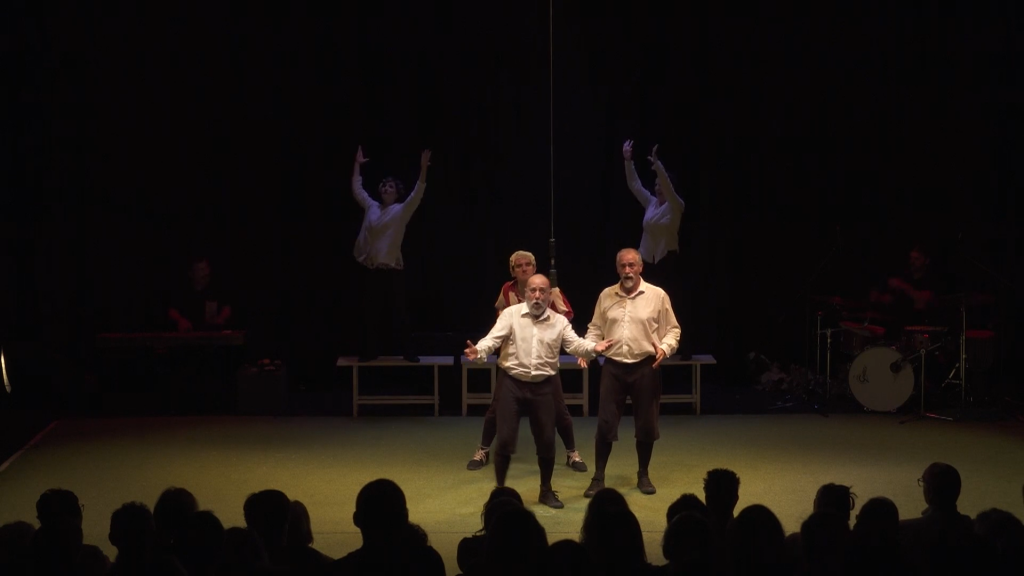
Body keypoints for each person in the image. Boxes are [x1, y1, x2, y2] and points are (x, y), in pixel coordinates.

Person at [464, 274, 613, 509]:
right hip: (511, 382)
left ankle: (546, 490)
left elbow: (575, 344)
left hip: (544, 385)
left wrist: (594, 347)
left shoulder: (559, 321)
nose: (537, 296)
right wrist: (479, 351)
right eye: (532, 290)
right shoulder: (510, 315)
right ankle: (500, 492)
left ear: (549, 295)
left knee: (546, 440)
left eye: (542, 291)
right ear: (525, 294)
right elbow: (492, 340)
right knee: (505, 439)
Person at [466, 250, 588, 473]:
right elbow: (499, 316)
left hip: (543, 361)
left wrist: (579, 348)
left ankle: (572, 453)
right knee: (496, 409)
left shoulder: (550, 290)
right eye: (519, 266)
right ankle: (483, 450)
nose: (524, 269)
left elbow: (565, 319)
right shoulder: (507, 289)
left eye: (528, 265)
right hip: (514, 359)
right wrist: (486, 344)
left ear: (534, 267)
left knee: (559, 410)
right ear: (512, 270)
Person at [582, 248, 680, 498]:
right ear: (617, 268)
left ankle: (643, 474)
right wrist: (588, 348)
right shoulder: (606, 295)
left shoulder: (657, 295)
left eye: (631, 265)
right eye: (623, 266)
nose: (627, 271)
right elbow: (595, 328)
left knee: (647, 424)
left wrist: (665, 348)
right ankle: (598, 477)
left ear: (640, 267)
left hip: (645, 366)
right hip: (613, 367)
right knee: (605, 423)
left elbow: (673, 330)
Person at [351, 145, 430, 363]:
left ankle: (408, 351)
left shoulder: (401, 210)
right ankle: (370, 351)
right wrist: (357, 165)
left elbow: (418, 193)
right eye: (384, 185)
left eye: (391, 186)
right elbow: (357, 189)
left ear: (396, 193)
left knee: (399, 313)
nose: (386, 188)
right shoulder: (371, 206)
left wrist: (423, 168)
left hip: (392, 270)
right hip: (372, 269)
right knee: (370, 313)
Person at [623, 140, 691, 359]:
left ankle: (680, 347)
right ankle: (648, 346)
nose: (658, 187)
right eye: (656, 184)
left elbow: (669, 189)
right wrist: (628, 161)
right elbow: (635, 186)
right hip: (647, 261)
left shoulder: (676, 205)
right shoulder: (651, 203)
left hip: (667, 260)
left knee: (672, 303)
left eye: (661, 184)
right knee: (646, 304)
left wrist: (658, 166)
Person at [167, 256, 232, 333]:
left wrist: (221, 318)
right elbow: (172, 310)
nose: (205, 273)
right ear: (191, 273)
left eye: (206, 268)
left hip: (212, 334)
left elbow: (226, 308)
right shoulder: (183, 290)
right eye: (200, 270)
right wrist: (180, 320)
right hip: (188, 333)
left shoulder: (216, 287)